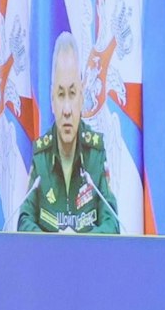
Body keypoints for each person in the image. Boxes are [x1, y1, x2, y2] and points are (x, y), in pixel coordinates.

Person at [15, 33, 120, 234]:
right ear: (52, 100)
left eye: (72, 94)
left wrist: (77, 244)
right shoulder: (41, 155)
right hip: (48, 263)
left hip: (88, 262)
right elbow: (24, 220)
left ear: (82, 97)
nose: (66, 109)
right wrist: (56, 244)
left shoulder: (95, 152)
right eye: (60, 95)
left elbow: (112, 224)